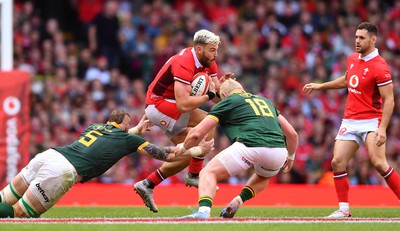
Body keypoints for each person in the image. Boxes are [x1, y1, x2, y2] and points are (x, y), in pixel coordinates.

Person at [0, 109, 213, 218]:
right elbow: (166, 155)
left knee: (5, 197)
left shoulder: (93, 127)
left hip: (48, 156)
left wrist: (135, 130)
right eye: (129, 125)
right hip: (62, 171)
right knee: (20, 213)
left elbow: (111, 138)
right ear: (123, 125)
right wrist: (196, 150)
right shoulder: (127, 138)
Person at [303, 22, 400, 218]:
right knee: (337, 161)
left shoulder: (380, 66)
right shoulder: (352, 59)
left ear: (373, 40)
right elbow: (347, 80)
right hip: (350, 121)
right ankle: (344, 210)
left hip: (372, 121)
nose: (357, 41)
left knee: (379, 164)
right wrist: (320, 86)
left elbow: (389, 100)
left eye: (361, 38)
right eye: (356, 37)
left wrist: (382, 129)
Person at [134, 29, 234, 213]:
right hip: (159, 105)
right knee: (202, 132)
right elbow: (184, 105)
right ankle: (194, 175)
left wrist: (228, 92)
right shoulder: (184, 62)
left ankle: (148, 183)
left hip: (171, 104)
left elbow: (216, 98)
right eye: (212, 50)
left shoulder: (208, 61)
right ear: (198, 49)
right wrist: (210, 94)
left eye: (216, 50)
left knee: (195, 143)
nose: (216, 54)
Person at [177, 79, 298, 219]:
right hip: (278, 152)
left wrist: (183, 147)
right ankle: (239, 200)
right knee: (263, 176)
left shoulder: (228, 101)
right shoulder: (265, 101)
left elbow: (198, 132)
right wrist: (290, 156)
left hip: (250, 146)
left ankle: (203, 212)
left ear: (223, 94)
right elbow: (292, 134)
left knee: (208, 173)